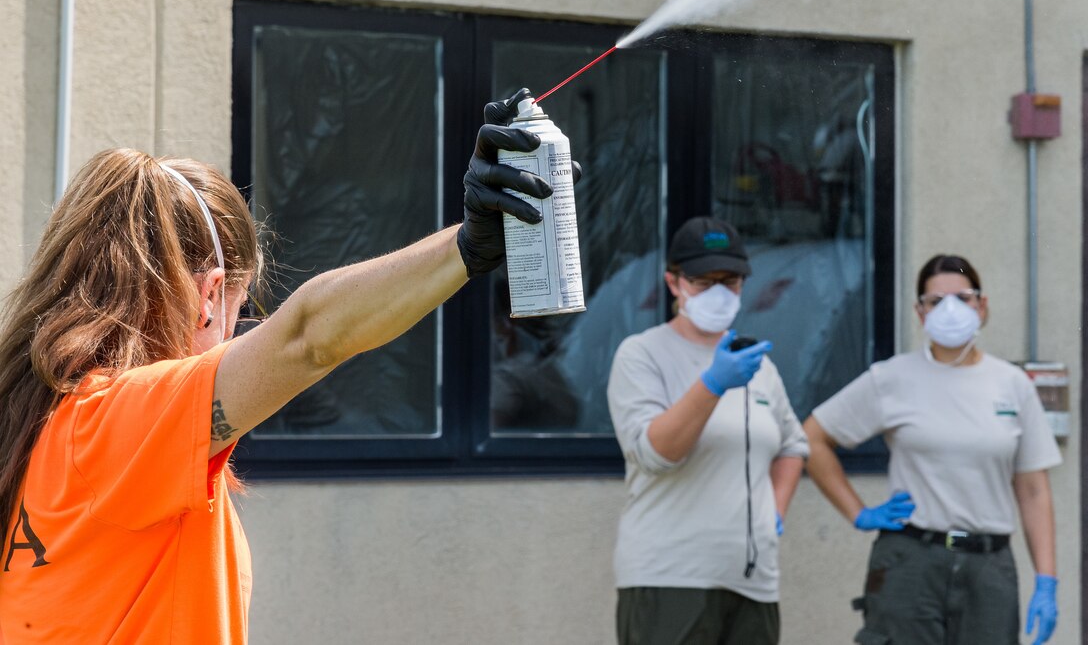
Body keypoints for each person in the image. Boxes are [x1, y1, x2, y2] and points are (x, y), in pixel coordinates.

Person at [0, 89, 553, 642]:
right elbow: (309, 337)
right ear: (208, 296)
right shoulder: (116, 426)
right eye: (240, 315)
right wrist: (466, 246)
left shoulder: (32, 426)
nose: (236, 342)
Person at [803, 253, 1061, 645]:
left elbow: (1033, 488)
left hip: (988, 565)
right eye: (936, 301)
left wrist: (1047, 579)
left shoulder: (1012, 384)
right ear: (920, 312)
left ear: (982, 305)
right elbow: (813, 438)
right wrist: (858, 513)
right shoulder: (892, 378)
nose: (951, 310)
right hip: (911, 560)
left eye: (963, 297)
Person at [607, 216, 809, 645]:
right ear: (674, 283)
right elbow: (656, 454)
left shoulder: (759, 364)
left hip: (752, 579)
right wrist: (712, 385)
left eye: (730, 280)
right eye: (703, 281)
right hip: (669, 578)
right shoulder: (642, 354)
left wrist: (775, 511)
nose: (718, 292)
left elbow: (792, 445)